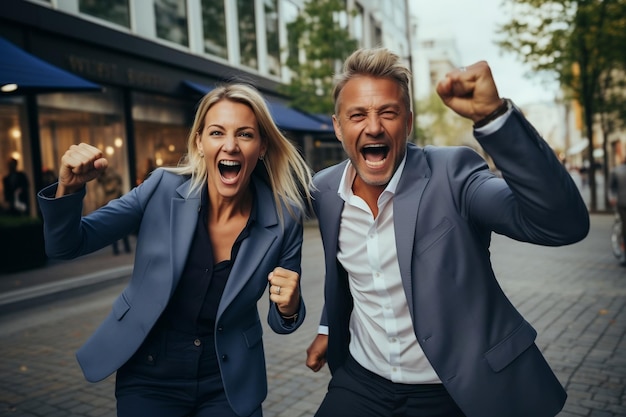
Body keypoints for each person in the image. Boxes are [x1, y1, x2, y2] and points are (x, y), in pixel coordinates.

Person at [305, 47, 590, 417]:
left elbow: (560, 223)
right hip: (361, 381)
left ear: (407, 123)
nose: (373, 127)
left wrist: (494, 117)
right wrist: (329, 325)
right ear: (338, 126)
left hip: (451, 390)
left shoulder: (453, 174)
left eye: (387, 113)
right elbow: (350, 269)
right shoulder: (325, 190)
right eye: (357, 115)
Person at [37, 83, 313, 417]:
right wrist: (69, 188)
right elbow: (67, 245)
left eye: (244, 134)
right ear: (199, 142)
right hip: (150, 375)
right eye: (216, 133)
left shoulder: (285, 218)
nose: (230, 146)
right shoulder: (162, 188)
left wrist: (290, 306)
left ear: (262, 146)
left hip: (226, 381)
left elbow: (283, 321)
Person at [97, 166, 132, 255]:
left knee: (120, 226)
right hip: (111, 202)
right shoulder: (104, 177)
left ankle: (123, 248)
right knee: (115, 227)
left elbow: (112, 188)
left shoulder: (110, 176)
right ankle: (119, 249)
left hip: (114, 202)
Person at [609, 157, 626, 264]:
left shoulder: (616, 170)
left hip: (622, 203)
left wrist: (612, 198)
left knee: (624, 229)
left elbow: (610, 188)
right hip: (622, 203)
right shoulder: (617, 171)